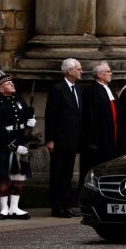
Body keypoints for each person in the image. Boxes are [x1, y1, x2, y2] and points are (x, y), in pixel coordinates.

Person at [0, 73, 35, 220]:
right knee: (5, 178)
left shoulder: (20, 101)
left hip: (21, 143)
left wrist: (30, 122)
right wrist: (14, 146)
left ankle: (14, 208)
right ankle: (3, 209)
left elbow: (24, 123)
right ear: (1, 90)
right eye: (8, 84)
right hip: (7, 145)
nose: (12, 85)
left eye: (12, 83)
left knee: (18, 178)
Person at [44, 58, 83, 218]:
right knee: (58, 173)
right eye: (79, 69)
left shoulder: (78, 89)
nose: (81, 71)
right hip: (60, 139)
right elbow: (51, 116)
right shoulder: (57, 89)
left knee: (67, 173)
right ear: (69, 71)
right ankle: (57, 206)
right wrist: (50, 139)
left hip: (73, 139)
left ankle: (67, 204)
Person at [80, 62, 119, 191]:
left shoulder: (110, 89)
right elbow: (90, 117)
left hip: (111, 135)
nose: (111, 74)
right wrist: (92, 139)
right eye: (108, 72)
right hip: (99, 138)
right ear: (99, 75)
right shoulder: (90, 91)